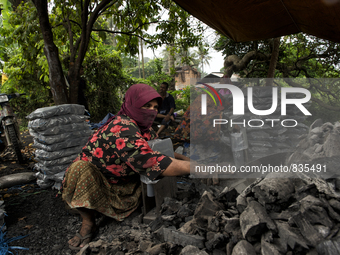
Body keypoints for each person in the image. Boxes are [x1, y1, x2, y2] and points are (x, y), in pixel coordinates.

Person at [62, 83, 190, 250]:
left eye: (154, 107)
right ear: (132, 103)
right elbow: (151, 161)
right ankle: (88, 222)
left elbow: (162, 149)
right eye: (146, 106)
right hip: (93, 183)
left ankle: (110, 208)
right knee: (80, 168)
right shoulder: (121, 126)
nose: (151, 111)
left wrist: (189, 160)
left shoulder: (144, 128)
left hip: (121, 182)